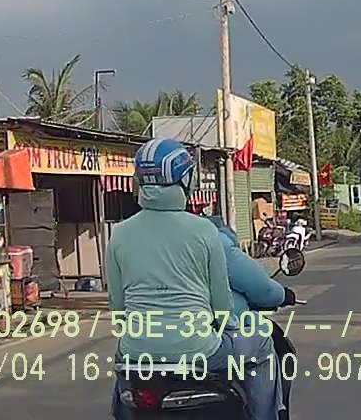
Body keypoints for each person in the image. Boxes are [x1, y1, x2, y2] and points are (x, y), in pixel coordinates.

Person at [106, 138, 280, 420]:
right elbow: (221, 306)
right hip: (200, 350)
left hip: (137, 352)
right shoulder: (205, 231)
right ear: (186, 179)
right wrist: (227, 328)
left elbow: (117, 306)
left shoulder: (119, 234)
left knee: (125, 369)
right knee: (262, 343)